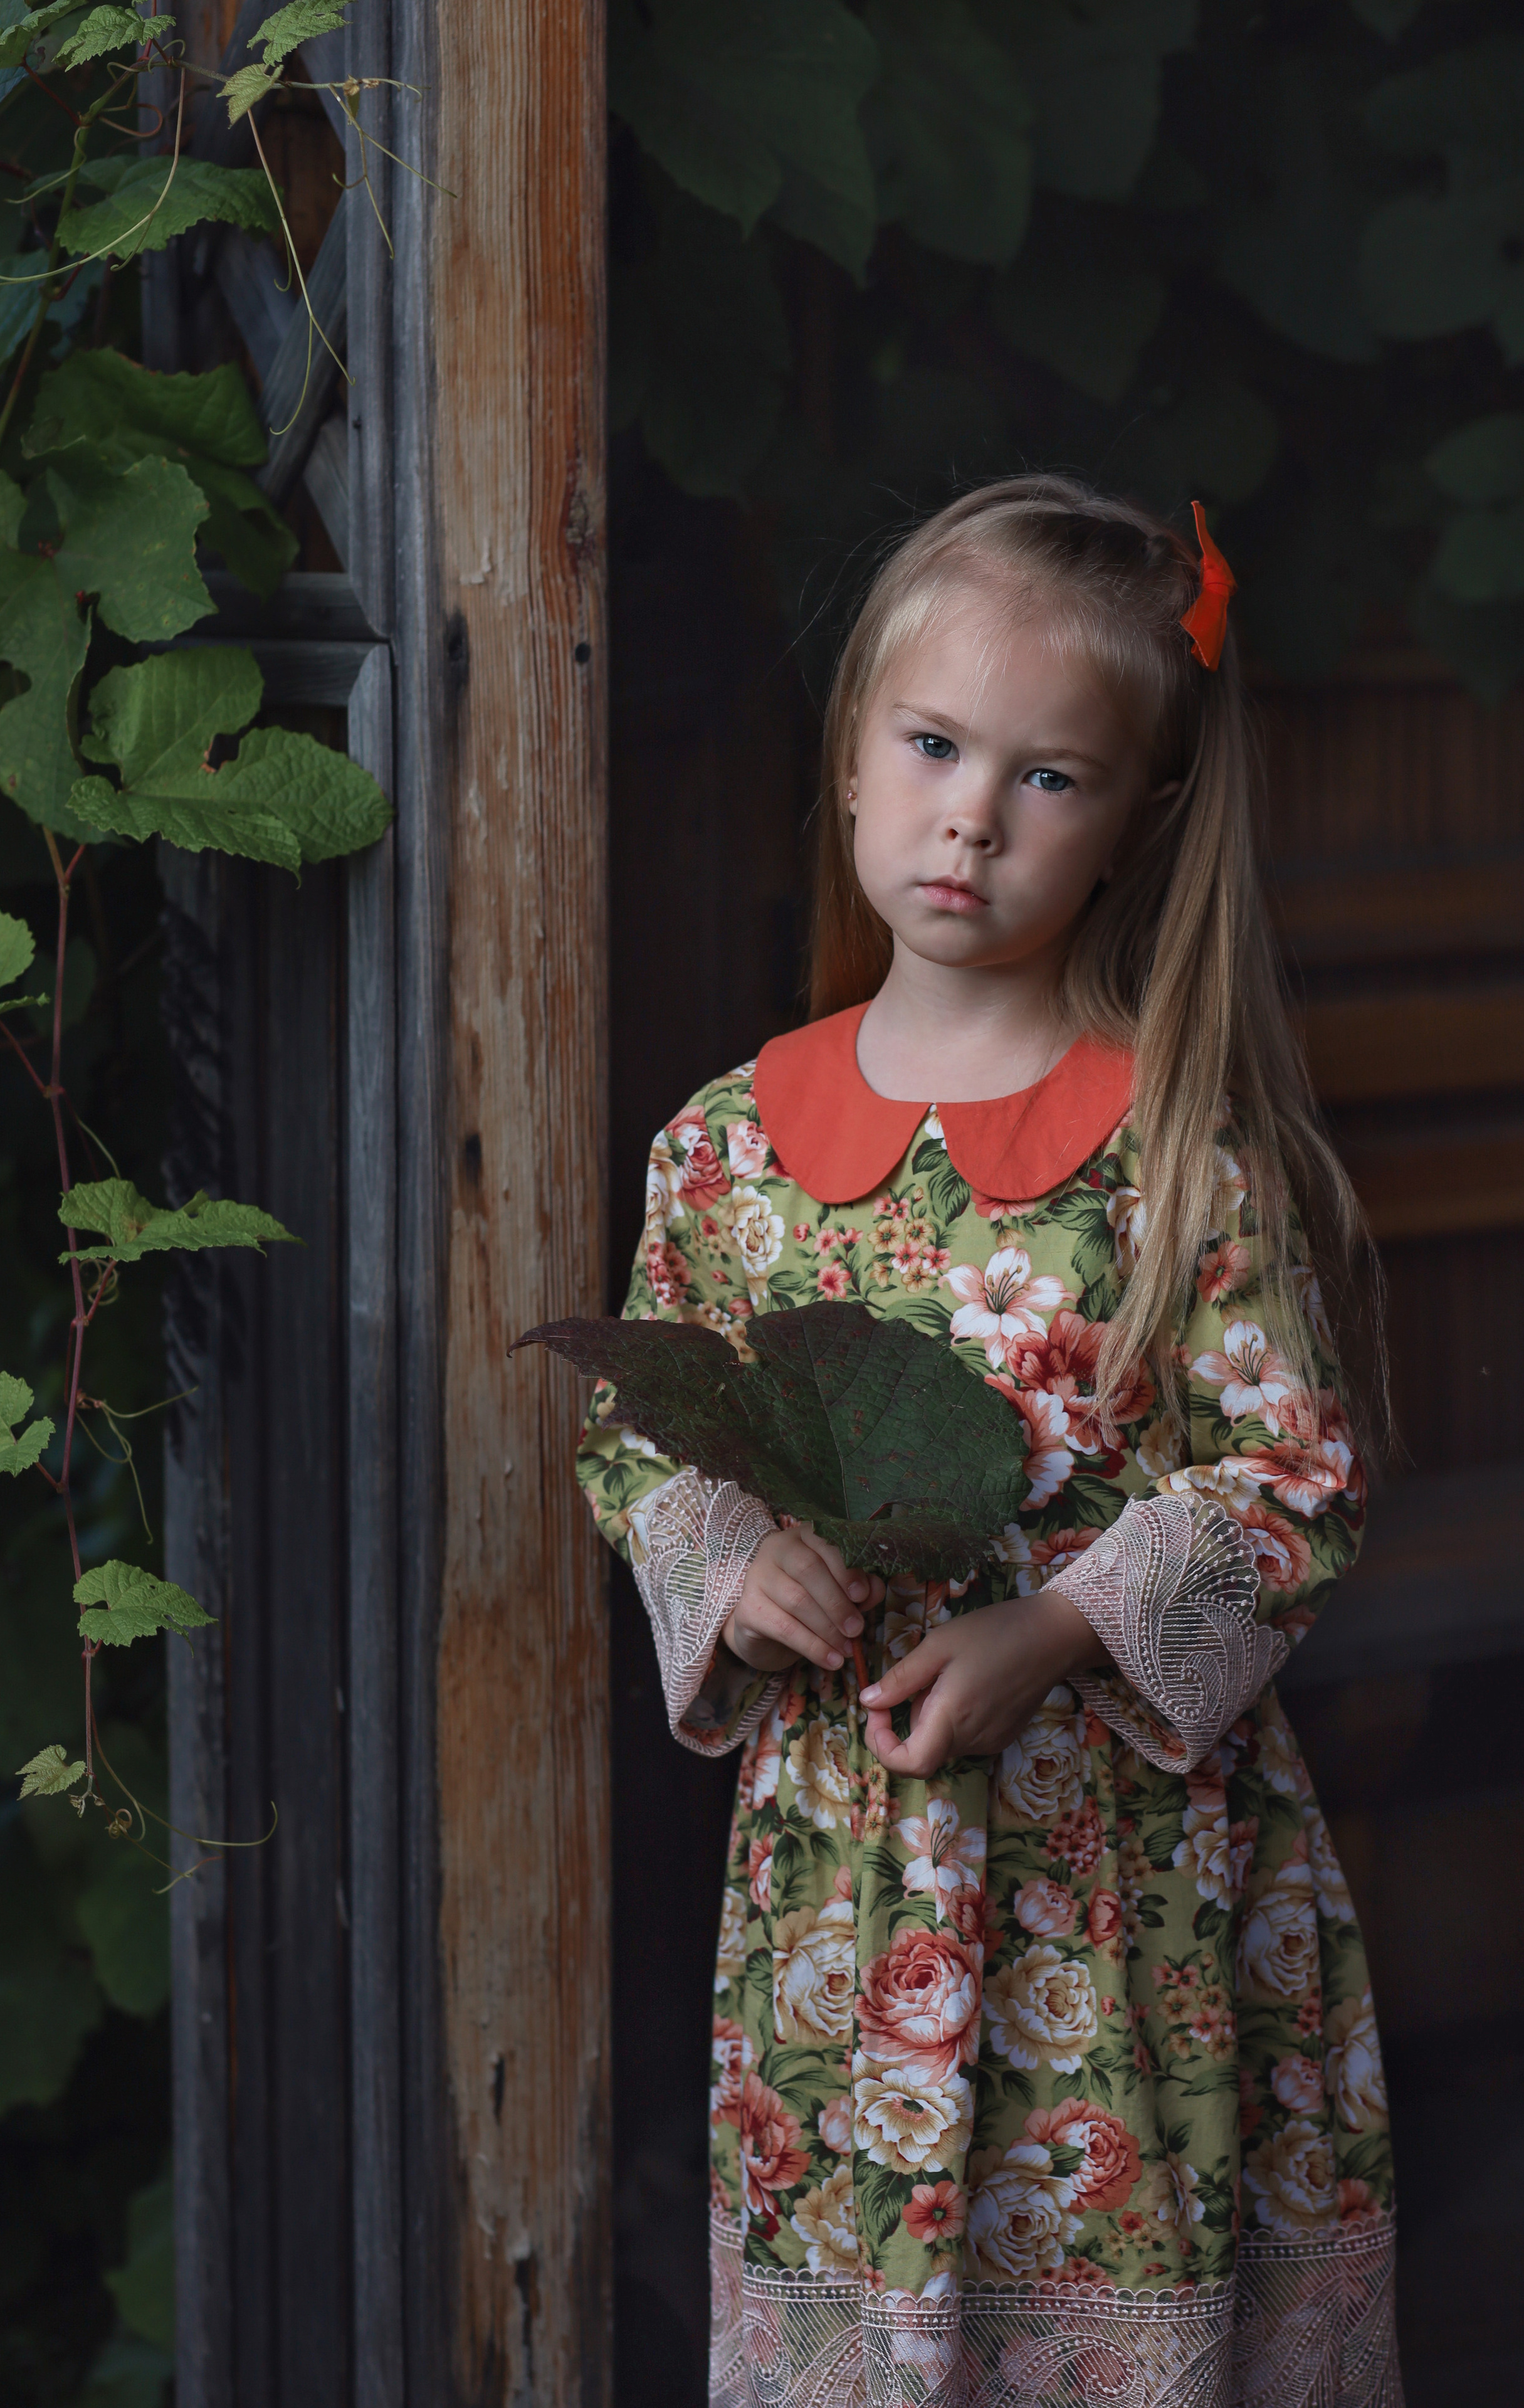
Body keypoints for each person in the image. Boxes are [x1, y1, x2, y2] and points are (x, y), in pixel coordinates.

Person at [577, 477, 1399, 2407]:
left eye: (1049, 777)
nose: (971, 817)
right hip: (843, 1881)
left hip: (1117, 1879)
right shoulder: (726, 1149)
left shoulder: (1180, 1153)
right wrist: (732, 1558)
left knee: (1110, 2284)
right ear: (851, 752)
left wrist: (1064, 1626)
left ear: (1136, 822)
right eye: (935, 746)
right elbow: (643, 1427)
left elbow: (1297, 1479)